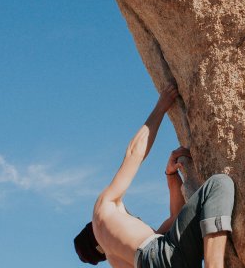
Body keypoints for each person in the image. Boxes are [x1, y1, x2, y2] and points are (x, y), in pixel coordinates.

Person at [74, 84, 235, 268]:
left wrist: (171, 175)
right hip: (159, 253)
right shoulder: (101, 210)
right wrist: (161, 106)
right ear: (91, 229)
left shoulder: (116, 259)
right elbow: (133, 153)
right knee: (218, 184)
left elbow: (176, 218)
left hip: (166, 257)